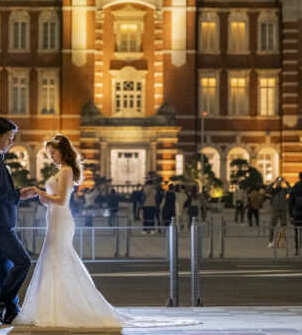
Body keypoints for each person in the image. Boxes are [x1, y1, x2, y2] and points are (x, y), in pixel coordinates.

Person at [16, 134, 196, 329]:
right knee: (53, 260)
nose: (51, 157)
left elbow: (60, 200)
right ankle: (51, 306)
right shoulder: (62, 171)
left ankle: (58, 307)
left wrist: (38, 191)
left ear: (62, 151)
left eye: (53, 153)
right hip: (54, 218)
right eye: (49, 154)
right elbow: (54, 199)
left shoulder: (67, 170)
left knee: (56, 259)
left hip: (61, 220)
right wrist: (43, 196)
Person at [0, 117, 38, 325]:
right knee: (23, 261)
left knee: (4, 268)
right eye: (9, 138)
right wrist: (18, 196)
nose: (11, 143)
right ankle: (0, 300)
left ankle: (12, 309)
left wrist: (17, 193)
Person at [266, 177, 290, 248]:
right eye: (278, 182)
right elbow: (267, 190)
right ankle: (271, 241)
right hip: (275, 210)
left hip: (283, 210)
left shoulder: (284, 190)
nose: (279, 183)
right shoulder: (273, 190)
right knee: (272, 225)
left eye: (280, 182)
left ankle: (281, 242)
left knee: (283, 226)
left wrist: (286, 182)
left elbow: (291, 190)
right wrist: (273, 182)